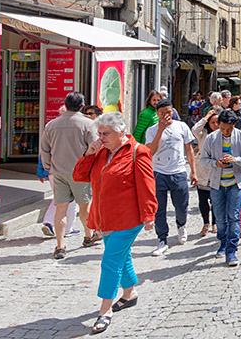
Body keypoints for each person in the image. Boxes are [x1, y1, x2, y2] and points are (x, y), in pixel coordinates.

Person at [72, 112, 157, 335]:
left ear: (120, 131)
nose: (101, 137)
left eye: (105, 133)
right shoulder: (99, 152)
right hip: (104, 217)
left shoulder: (138, 152)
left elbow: (147, 185)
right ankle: (129, 294)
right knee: (121, 256)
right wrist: (89, 153)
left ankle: (105, 310)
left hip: (128, 218)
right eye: (99, 133)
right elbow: (80, 176)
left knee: (110, 261)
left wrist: (149, 215)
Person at [39, 91, 100, 259]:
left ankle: (60, 245)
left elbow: (44, 149)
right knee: (84, 206)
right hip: (80, 172)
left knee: (61, 209)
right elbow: (95, 147)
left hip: (58, 171)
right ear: (82, 106)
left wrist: (48, 167)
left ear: (65, 105)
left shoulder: (51, 125)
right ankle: (88, 235)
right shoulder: (88, 124)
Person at [200, 110, 241, 266]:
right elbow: (203, 160)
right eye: (222, 128)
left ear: (234, 125)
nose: (225, 132)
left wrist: (235, 160)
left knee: (234, 216)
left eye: (228, 129)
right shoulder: (211, 138)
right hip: (217, 183)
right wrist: (215, 163)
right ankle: (222, 243)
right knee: (219, 217)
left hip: (236, 183)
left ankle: (231, 250)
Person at [144, 99, 197, 256]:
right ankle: (162, 239)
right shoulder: (152, 130)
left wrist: (193, 171)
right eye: (162, 113)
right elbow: (150, 151)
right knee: (159, 209)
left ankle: (181, 225)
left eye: (169, 112)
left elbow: (189, 150)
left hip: (178, 171)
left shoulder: (181, 127)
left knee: (181, 206)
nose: (166, 116)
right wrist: (160, 130)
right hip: (158, 172)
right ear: (157, 114)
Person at [191, 106, 222, 237]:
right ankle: (205, 223)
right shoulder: (203, 133)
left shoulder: (223, 133)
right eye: (212, 122)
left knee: (216, 200)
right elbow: (194, 129)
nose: (215, 125)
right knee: (203, 199)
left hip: (217, 170)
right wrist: (205, 118)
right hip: (203, 170)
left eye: (217, 122)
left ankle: (215, 223)